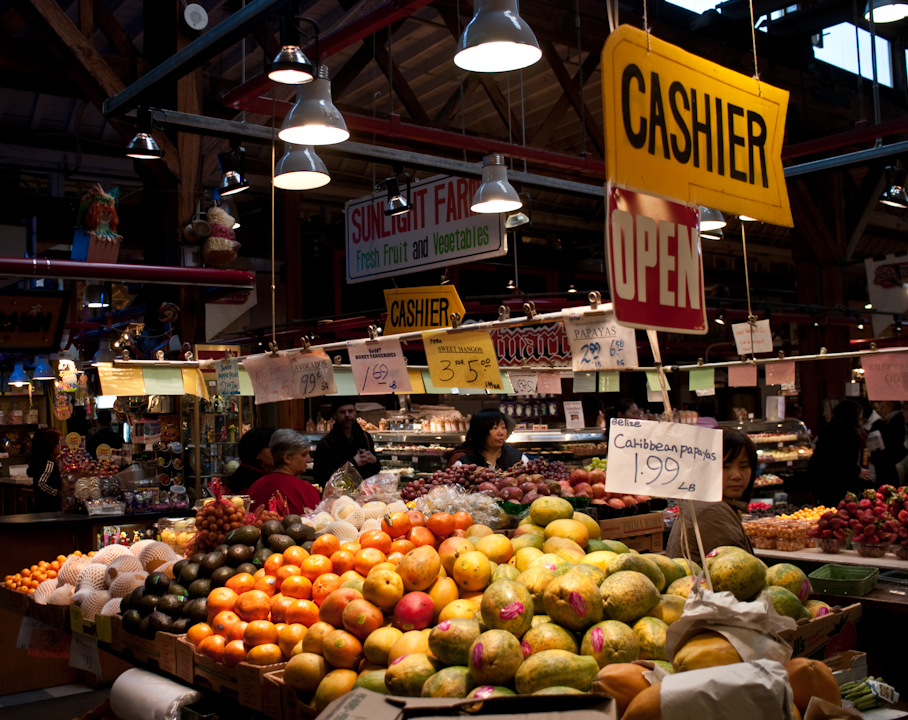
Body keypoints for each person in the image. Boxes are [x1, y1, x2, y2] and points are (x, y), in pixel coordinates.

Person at [665, 428, 757, 566]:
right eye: (725, 467)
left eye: (743, 466)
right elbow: (737, 572)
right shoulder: (712, 510)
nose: (737, 475)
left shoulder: (706, 502)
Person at [808, 399, 870, 507]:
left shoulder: (835, 425)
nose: (861, 417)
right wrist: (856, 471)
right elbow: (833, 455)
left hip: (830, 482)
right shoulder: (841, 427)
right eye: (859, 414)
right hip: (834, 484)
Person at [248, 429, 321, 514]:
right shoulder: (306, 490)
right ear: (287, 458)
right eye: (304, 455)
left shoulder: (256, 486)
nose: (308, 459)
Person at [313, 399, 380, 485]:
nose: (347, 415)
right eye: (342, 412)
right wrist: (353, 463)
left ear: (355, 413)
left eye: (350, 411)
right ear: (335, 415)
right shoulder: (326, 443)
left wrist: (374, 460)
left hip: (366, 493)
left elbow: (375, 470)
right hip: (339, 496)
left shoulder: (365, 437)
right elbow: (320, 477)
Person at [446, 409, 528, 470]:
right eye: (494, 428)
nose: (501, 433)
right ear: (480, 432)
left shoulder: (519, 460)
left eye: (503, 427)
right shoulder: (463, 464)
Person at [227, 427, 275, 494]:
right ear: (256, 451)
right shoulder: (252, 481)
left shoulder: (242, 473)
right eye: (271, 447)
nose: (277, 452)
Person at [28, 428, 62, 512]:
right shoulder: (48, 463)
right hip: (49, 509)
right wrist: (59, 494)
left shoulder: (41, 461)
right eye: (58, 443)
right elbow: (41, 483)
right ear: (50, 444)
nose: (61, 445)